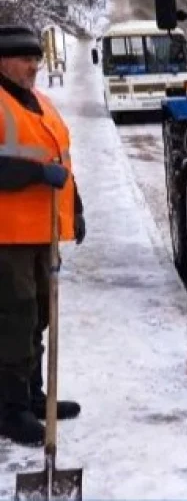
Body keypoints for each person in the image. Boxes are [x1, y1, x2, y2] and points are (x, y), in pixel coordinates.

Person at [0, 24, 85, 446]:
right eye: (25, 59)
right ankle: (9, 409)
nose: (34, 66)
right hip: (7, 235)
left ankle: (33, 396)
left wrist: (77, 208)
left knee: (39, 314)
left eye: (36, 58)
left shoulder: (40, 102)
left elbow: (60, 160)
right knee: (14, 317)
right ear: (3, 62)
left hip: (42, 230)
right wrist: (36, 173)